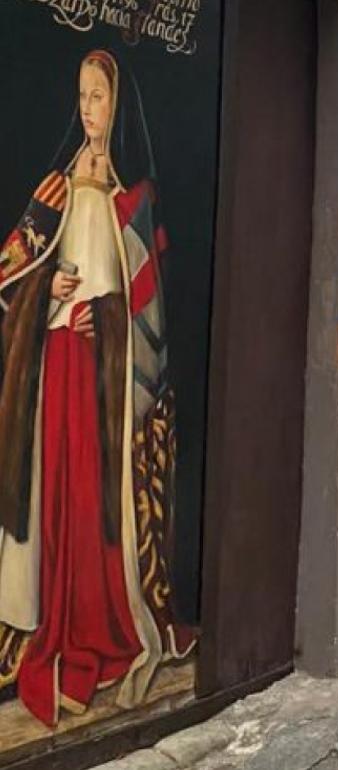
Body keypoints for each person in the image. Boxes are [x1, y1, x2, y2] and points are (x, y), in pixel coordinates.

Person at [0, 49, 192, 727]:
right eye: (81, 95)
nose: (88, 108)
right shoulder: (54, 187)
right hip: (57, 365)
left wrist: (107, 319)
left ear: (118, 103)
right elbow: (9, 270)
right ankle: (52, 625)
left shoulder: (133, 197)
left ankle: (103, 625)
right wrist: (42, 290)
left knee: (95, 501)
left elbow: (150, 311)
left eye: (99, 96)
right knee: (56, 497)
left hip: (106, 377)